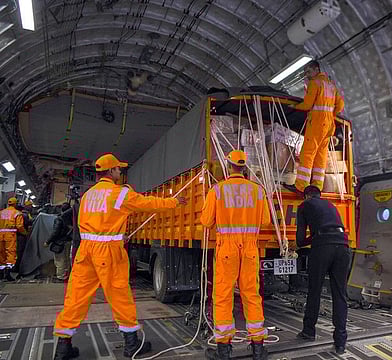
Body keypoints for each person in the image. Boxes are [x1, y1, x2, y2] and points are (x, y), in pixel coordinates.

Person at [53, 153, 187, 360]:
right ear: (111, 171)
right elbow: (147, 203)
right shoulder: (119, 194)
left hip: (85, 251)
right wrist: (174, 202)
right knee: (120, 297)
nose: (121, 172)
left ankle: (63, 346)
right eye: (119, 169)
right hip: (108, 251)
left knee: (75, 297)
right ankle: (131, 344)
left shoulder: (87, 196)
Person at [201, 150, 270, 360]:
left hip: (227, 250)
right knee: (251, 294)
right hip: (250, 249)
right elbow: (266, 221)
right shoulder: (258, 191)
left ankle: (224, 349)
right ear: (245, 167)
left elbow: (205, 221)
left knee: (223, 295)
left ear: (228, 165)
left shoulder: (218, 190)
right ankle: (258, 347)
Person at [295, 185, 351, 354]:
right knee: (340, 293)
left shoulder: (304, 206)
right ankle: (340, 342)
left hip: (322, 247)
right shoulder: (330, 205)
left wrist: (308, 240)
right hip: (343, 246)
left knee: (315, 290)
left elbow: (299, 240)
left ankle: (308, 331)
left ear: (306, 196)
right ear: (320, 195)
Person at [283, 60, 344, 194]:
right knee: (321, 156)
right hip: (328, 125)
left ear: (316, 70)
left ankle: (301, 186)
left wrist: (294, 107)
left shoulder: (315, 83)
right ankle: (317, 187)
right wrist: (330, 115)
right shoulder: (331, 85)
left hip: (317, 123)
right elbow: (340, 105)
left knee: (307, 154)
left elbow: (307, 104)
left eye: (309, 72)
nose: (307, 75)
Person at [44, 203, 74, 282]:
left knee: (60, 260)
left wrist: (47, 241)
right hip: (68, 241)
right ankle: (66, 275)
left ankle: (61, 277)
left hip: (60, 242)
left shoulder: (59, 219)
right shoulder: (71, 219)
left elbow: (55, 232)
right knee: (67, 259)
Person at [0, 197, 26, 281]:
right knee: (11, 253)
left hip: (1, 234)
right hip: (10, 235)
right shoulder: (17, 213)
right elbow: (19, 226)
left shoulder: (2, 212)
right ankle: (8, 274)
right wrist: (25, 233)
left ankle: (1, 274)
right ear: (15, 204)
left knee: (2, 253)